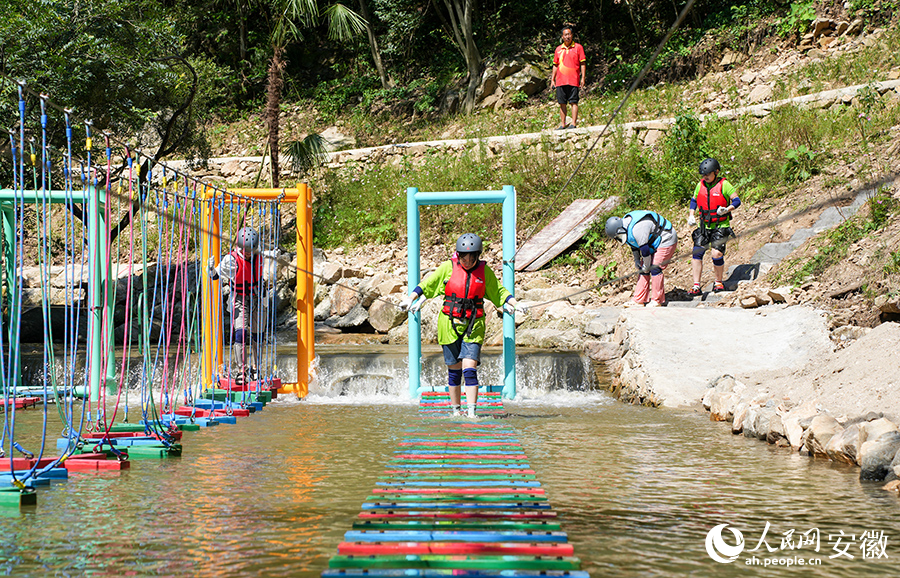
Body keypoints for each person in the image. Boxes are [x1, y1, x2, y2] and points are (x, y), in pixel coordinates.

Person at [400, 234, 523, 418]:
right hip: (448, 325)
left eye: (472, 257)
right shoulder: (447, 267)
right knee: (455, 372)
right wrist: (410, 299)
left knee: (470, 370)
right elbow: (427, 285)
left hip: (474, 325)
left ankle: (472, 413)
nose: (467, 261)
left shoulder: (484, 272)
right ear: (458, 255)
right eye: (464, 257)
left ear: (478, 256)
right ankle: (456, 410)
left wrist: (514, 303)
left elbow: (499, 291)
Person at [209, 226, 273, 382]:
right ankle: (241, 371)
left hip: (258, 297)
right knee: (240, 333)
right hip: (239, 298)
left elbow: (271, 264)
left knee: (258, 334)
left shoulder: (261, 256)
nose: (248, 253)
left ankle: (256, 369)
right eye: (245, 250)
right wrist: (210, 269)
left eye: (251, 250)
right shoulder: (231, 260)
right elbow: (216, 276)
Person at [687, 158, 741, 296]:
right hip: (704, 225)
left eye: (708, 174)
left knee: (716, 253)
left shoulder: (725, 184)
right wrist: (691, 215)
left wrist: (727, 209)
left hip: (720, 225)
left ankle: (718, 282)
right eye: (703, 175)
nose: (705, 177)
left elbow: (737, 200)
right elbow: (694, 200)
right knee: (696, 252)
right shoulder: (700, 185)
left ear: (716, 172)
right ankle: (696, 286)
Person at [605, 211, 677, 307]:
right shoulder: (626, 229)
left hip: (666, 238)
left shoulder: (637, 228)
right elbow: (634, 245)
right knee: (642, 270)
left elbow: (645, 251)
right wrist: (637, 261)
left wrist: (646, 266)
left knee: (655, 267)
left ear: (619, 230)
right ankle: (639, 300)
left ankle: (657, 300)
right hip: (652, 242)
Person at [550, 25, 586, 130]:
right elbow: (555, 65)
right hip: (560, 81)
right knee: (562, 103)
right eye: (565, 35)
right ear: (562, 37)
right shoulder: (558, 49)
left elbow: (582, 63)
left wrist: (583, 77)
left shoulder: (578, 47)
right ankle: (562, 124)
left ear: (572, 35)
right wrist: (553, 80)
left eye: (569, 34)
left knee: (574, 101)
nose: (567, 37)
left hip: (573, 80)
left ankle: (573, 124)